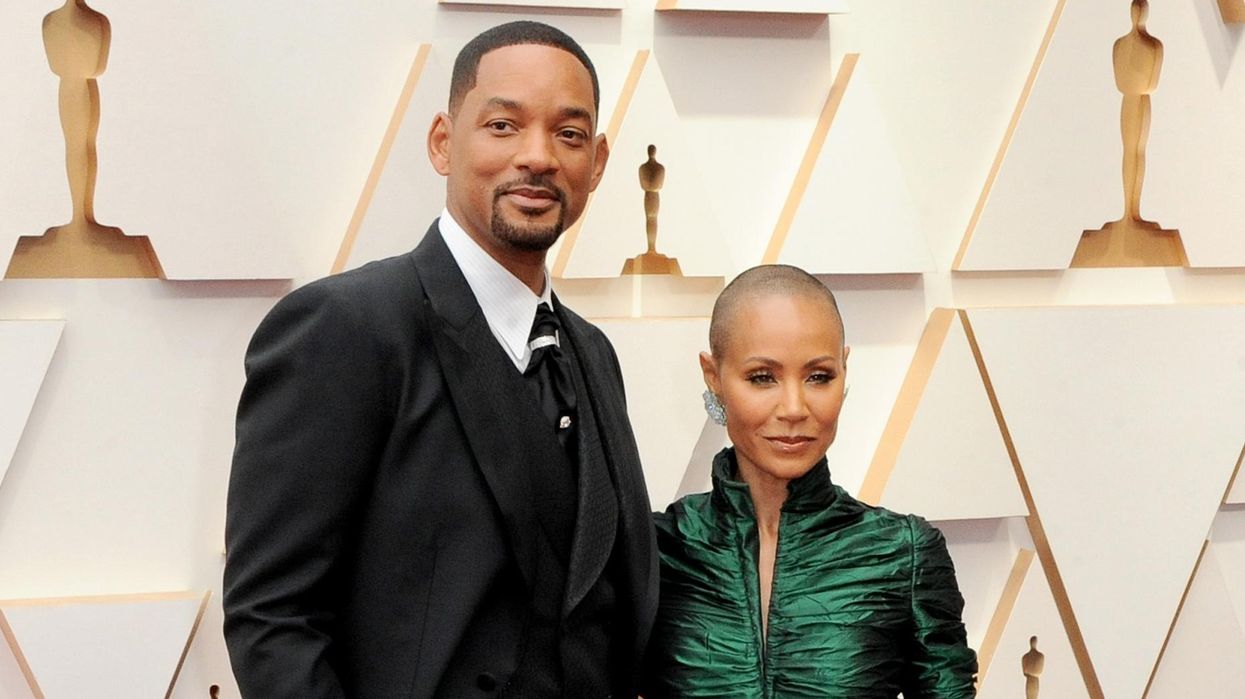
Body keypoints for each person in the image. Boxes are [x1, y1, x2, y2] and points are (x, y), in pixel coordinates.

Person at [223, 21, 658, 699]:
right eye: (503, 126)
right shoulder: (346, 328)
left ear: (597, 162)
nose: (538, 157)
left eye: (568, 134)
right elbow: (273, 619)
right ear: (442, 142)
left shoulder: (593, 353)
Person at [644, 265, 977, 698]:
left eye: (819, 376)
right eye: (762, 377)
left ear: (844, 370)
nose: (794, 407)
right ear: (714, 377)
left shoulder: (904, 552)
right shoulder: (655, 552)